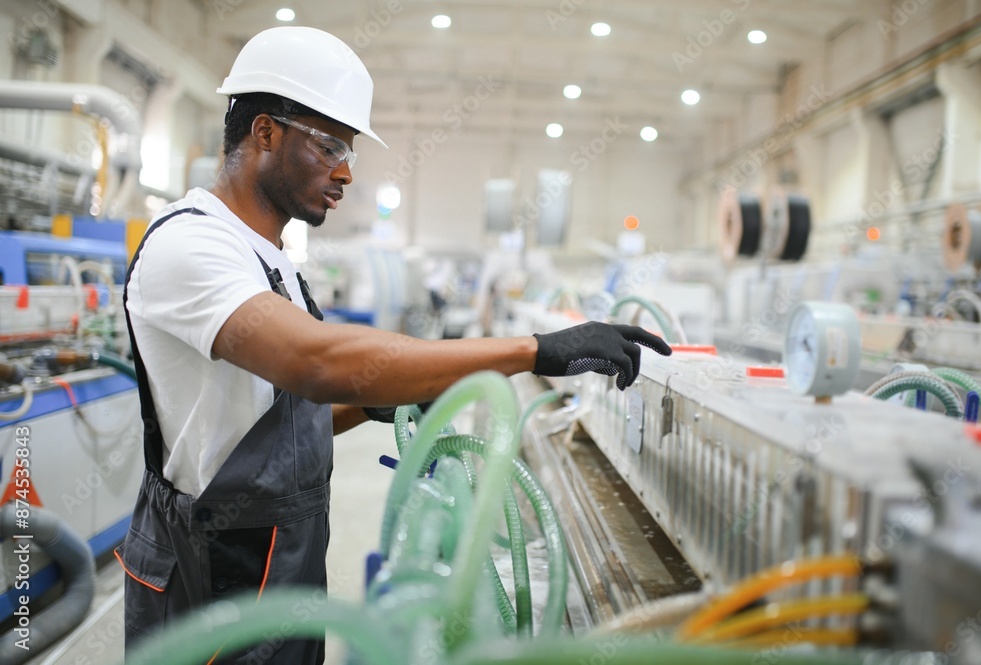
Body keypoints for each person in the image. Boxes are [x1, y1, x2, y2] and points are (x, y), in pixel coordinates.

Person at [115, 26, 671, 663]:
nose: (347, 171)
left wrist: (374, 404)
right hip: (211, 569)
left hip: (278, 552)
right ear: (264, 132)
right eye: (329, 146)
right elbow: (314, 362)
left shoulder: (271, 259)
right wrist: (535, 350)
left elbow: (269, 419)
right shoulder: (190, 243)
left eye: (349, 150)